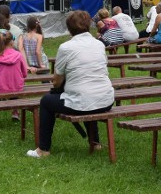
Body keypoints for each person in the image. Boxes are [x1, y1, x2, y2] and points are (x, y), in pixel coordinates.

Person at [27, 11, 115, 158]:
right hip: (106, 100)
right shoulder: (99, 44)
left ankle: (43, 149)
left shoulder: (66, 47)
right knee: (88, 97)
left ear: (69, 29)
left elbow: (57, 81)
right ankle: (96, 143)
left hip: (83, 101)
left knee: (46, 101)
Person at [0, 29, 28, 123]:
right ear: (12, 41)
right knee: (13, 87)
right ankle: (15, 111)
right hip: (17, 87)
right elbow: (25, 74)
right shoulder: (19, 55)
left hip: (0, 87)